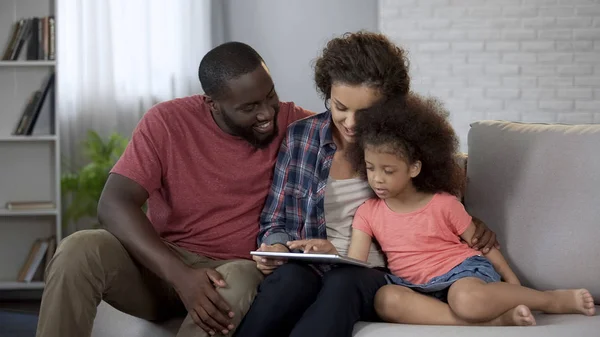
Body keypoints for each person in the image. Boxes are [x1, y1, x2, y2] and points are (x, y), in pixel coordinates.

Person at [35, 42, 314, 337]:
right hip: (162, 266)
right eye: (249, 107)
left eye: (270, 96)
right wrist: (181, 276)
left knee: (237, 279)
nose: (266, 113)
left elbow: (356, 127)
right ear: (212, 103)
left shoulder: (297, 125)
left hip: (235, 268)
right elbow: (114, 202)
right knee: (78, 249)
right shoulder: (167, 122)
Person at [234, 31, 499, 337]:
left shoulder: (410, 146)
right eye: (340, 107)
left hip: (377, 275)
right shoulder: (301, 138)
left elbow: (437, 217)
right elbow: (274, 219)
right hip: (312, 265)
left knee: (343, 282)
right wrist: (277, 246)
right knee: (289, 280)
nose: (350, 122)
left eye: (366, 112)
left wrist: (473, 224)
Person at [346, 94, 597, 327]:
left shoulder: (443, 204)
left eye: (388, 171)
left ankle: (551, 300)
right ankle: (494, 322)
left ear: (414, 168)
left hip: (461, 275)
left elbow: (483, 245)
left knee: (465, 300)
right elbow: (355, 263)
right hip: (413, 287)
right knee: (385, 299)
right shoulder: (368, 212)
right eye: (370, 168)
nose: (377, 179)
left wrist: (512, 283)